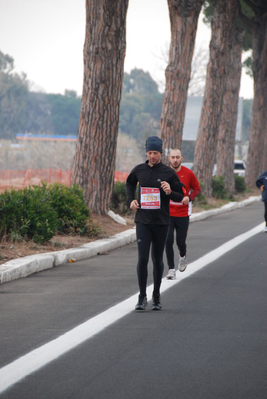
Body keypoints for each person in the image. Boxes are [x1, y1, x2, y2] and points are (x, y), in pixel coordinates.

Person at [126, 136, 184, 311]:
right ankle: (142, 297)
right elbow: (129, 183)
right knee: (142, 259)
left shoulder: (168, 173)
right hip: (143, 221)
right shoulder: (139, 170)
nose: (152, 156)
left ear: (161, 153)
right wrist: (131, 200)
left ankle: (156, 296)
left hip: (161, 222)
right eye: (150, 153)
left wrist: (169, 192)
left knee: (157, 259)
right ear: (146, 153)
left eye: (156, 153)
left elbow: (180, 196)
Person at [166, 149, 201, 279]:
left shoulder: (188, 173)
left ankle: (182, 256)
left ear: (182, 158)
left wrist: (189, 198)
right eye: (173, 157)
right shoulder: (165, 173)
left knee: (180, 241)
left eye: (177, 157)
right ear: (169, 159)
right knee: (168, 241)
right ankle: (171, 269)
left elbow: (197, 188)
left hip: (183, 213)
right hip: (167, 213)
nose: (175, 159)